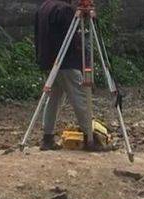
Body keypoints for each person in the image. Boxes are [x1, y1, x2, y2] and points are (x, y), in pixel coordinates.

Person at [35, 0, 100, 151]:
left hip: (49, 61)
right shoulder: (64, 10)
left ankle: (47, 138)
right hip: (66, 62)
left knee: (54, 98)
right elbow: (73, 40)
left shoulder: (44, 6)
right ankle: (90, 138)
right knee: (81, 97)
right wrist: (83, 64)